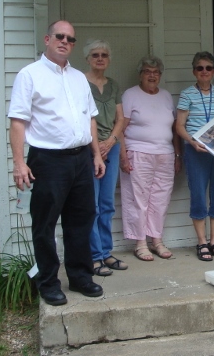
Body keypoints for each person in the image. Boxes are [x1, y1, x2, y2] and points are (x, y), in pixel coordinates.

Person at [8, 20, 105, 306]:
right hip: (47, 161)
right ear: (48, 39)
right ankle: (48, 282)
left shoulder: (78, 78)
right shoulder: (30, 75)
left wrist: (97, 154)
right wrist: (18, 163)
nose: (65, 41)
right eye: (60, 36)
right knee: (45, 224)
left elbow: (91, 118)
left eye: (71, 39)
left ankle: (80, 277)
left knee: (81, 220)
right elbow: (17, 121)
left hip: (80, 159)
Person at [119, 56, 182, 261]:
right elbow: (121, 127)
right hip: (138, 153)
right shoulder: (130, 95)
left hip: (165, 154)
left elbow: (173, 128)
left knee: (160, 199)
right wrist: (123, 157)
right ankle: (140, 243)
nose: (152, 75)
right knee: (138, 199)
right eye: (147, 71)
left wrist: (177, 155)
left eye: (156, 72)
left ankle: (156, 240)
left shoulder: (165, 96)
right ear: (140, 74)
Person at [176, 52, 214, 262]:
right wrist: (191, 141)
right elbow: (179, 126)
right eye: (200, 68)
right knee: (198, 195)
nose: (205, 72)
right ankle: (201, 242)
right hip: (196, 150)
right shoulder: (187, 94)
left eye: (209, 68)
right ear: (194, 72)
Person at [84, 40, 128, 276]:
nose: (100, 58)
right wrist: (95, 147)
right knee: (91, 205)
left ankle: (106, 252)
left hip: (110, 146)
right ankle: (94, 256)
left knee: (107, 204)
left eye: (104, 55)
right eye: (95, 55)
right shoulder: (80, 82)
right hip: (88, 149)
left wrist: (110, 141)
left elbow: (121, 119)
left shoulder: (114, 85)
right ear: (88, 59)